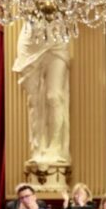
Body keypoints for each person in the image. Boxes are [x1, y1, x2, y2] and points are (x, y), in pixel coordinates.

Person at [13, 23, 71, 165]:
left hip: (57, 37)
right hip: (31, 40)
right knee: (34, 100)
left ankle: (55, 148)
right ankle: (37, 148)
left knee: (54, 96)